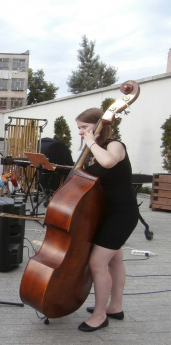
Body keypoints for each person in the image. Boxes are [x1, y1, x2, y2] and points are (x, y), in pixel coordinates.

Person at [76, 108, 138, 332]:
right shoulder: (92, 150)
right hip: (104, 212)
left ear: (99, 125)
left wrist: (91, 142)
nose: (81, 132)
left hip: (122, 213)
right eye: (79, 128)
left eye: (84, 127)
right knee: (114, 260)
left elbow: (109, 163)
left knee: (97, 262)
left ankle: (100, 315)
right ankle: (115, 306)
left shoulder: (114, 145)